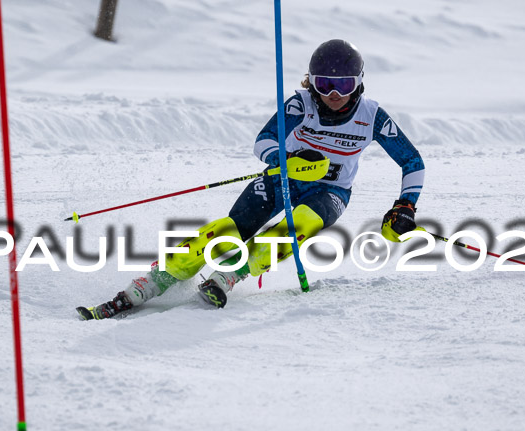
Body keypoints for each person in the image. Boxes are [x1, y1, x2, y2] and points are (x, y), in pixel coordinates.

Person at [76, 39, 425, 320]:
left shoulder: (372, 116)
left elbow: (413, 162)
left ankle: (230, 275)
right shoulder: (300, 104)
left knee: (298, 223)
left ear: (360, 82)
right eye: (325, 84)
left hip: (330, 192)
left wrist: (405, 206)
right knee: (227, 232)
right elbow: (264, 140)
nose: (334, 94)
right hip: (282, 178)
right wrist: (284, 160)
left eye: (344, 84)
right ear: (312, 82)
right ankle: (152, 283)